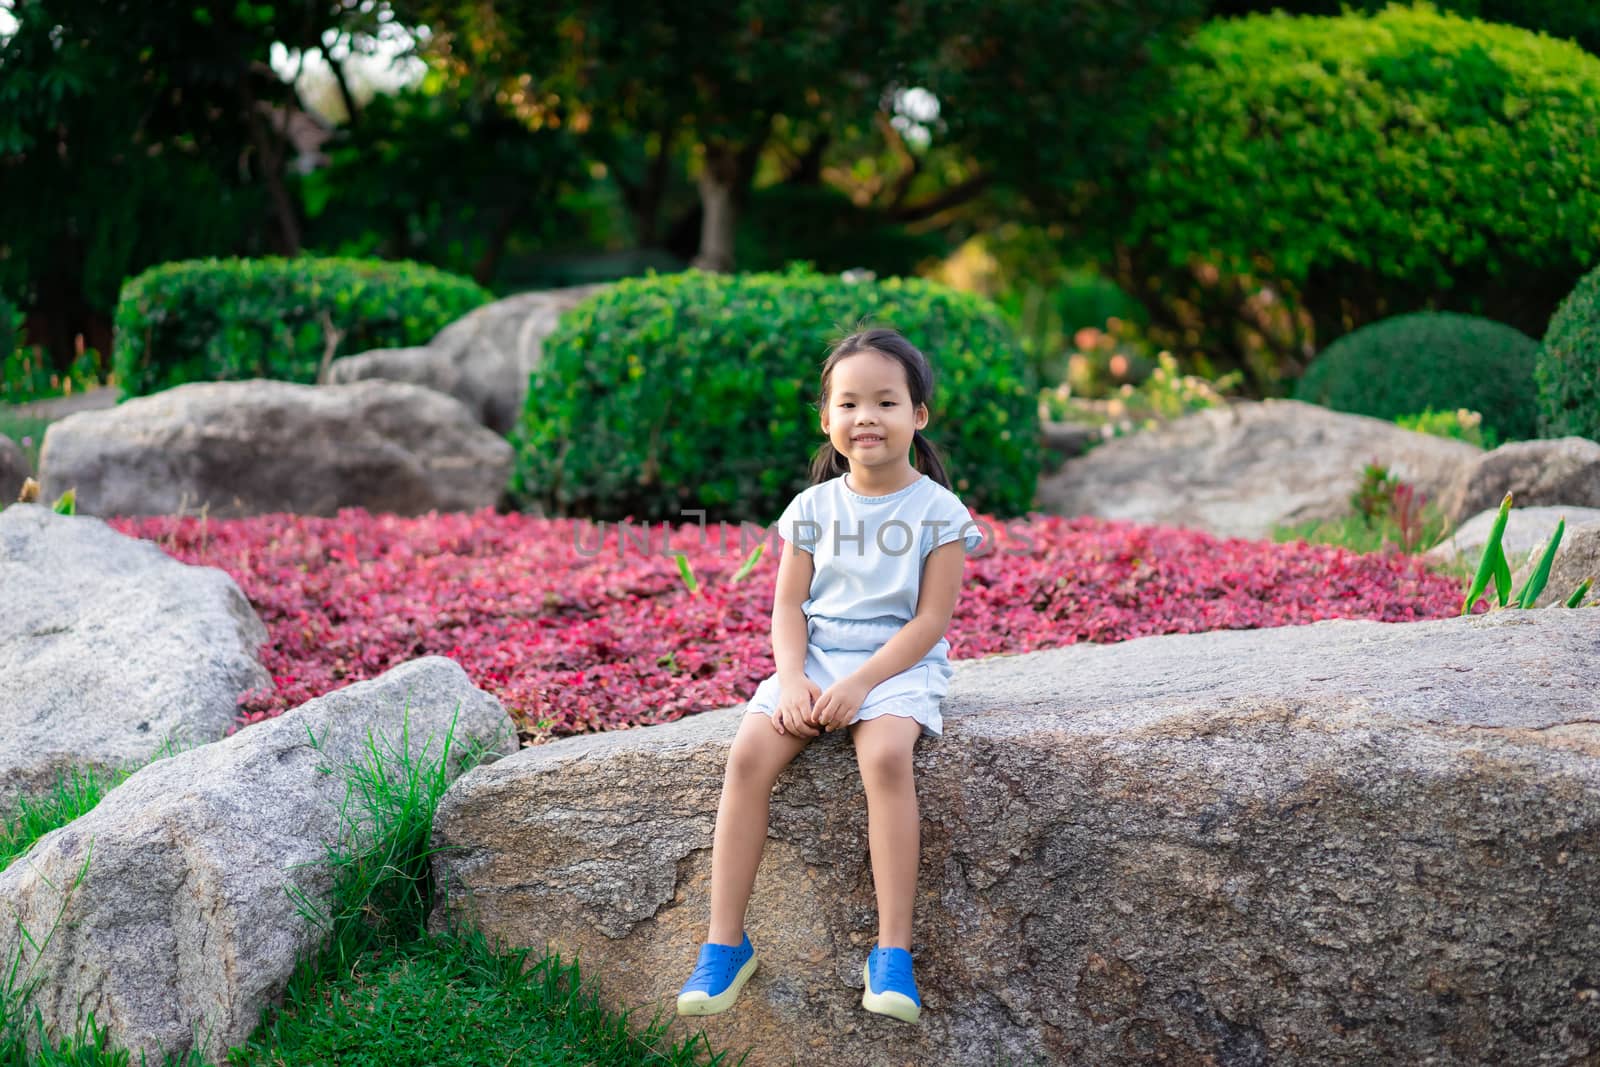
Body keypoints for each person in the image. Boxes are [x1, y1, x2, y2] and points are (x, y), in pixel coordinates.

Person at [675, 326, 984, 1026]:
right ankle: (725, 942)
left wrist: (860, 687)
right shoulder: (811, 508)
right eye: (848, 403)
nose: (865, 417)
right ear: (826, 418)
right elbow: (788, 604)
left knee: (882, 755)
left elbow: (930, 622)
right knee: (750, 753)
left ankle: (892, 954)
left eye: (885, 401)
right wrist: (792, 679)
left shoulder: (938, 512)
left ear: (918, 415)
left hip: (896, 664)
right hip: (814, 659)